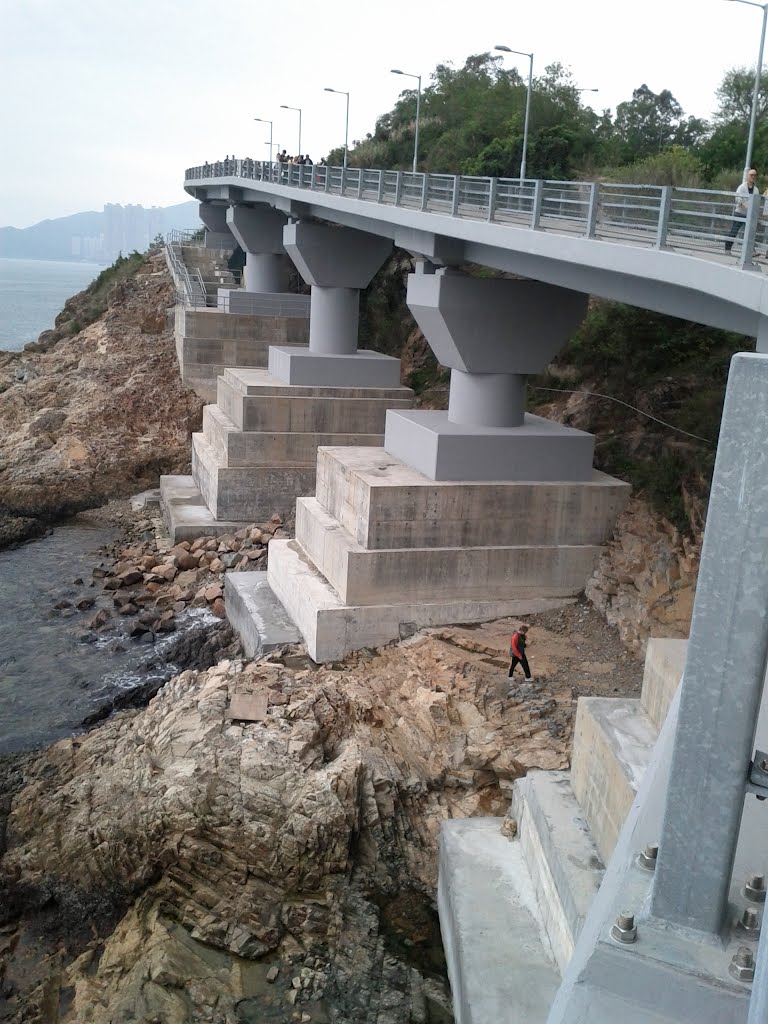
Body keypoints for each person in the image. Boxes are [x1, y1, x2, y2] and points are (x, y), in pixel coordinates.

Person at [725, 168, 759, 253]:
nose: (753, 177)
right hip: (740, 213)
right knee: (734, 231)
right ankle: (727, 248)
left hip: (749, 214)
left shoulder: (756, 189)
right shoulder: (742, 187)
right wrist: (744, 205)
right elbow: (737, 197)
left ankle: (752, 251)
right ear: (748, 176)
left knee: (750, 233)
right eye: (751, 175)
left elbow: (756, 201)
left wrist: (754, 211)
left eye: (754, 175)